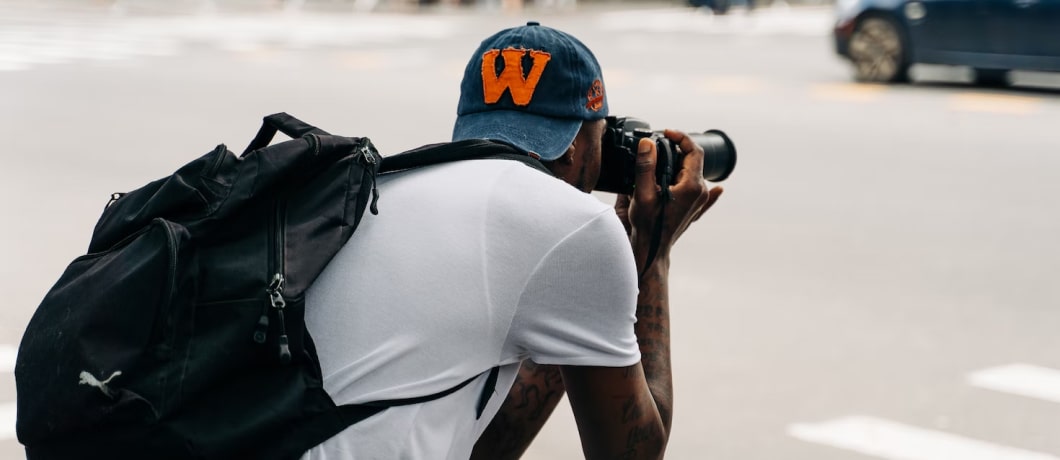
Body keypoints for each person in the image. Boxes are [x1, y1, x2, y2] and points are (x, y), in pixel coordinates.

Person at [301, 21, 723, 460]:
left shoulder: (384, 187)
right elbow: (632, 454)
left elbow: (486, 446)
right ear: (577, 144)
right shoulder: (574, 223)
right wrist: (655, 253)